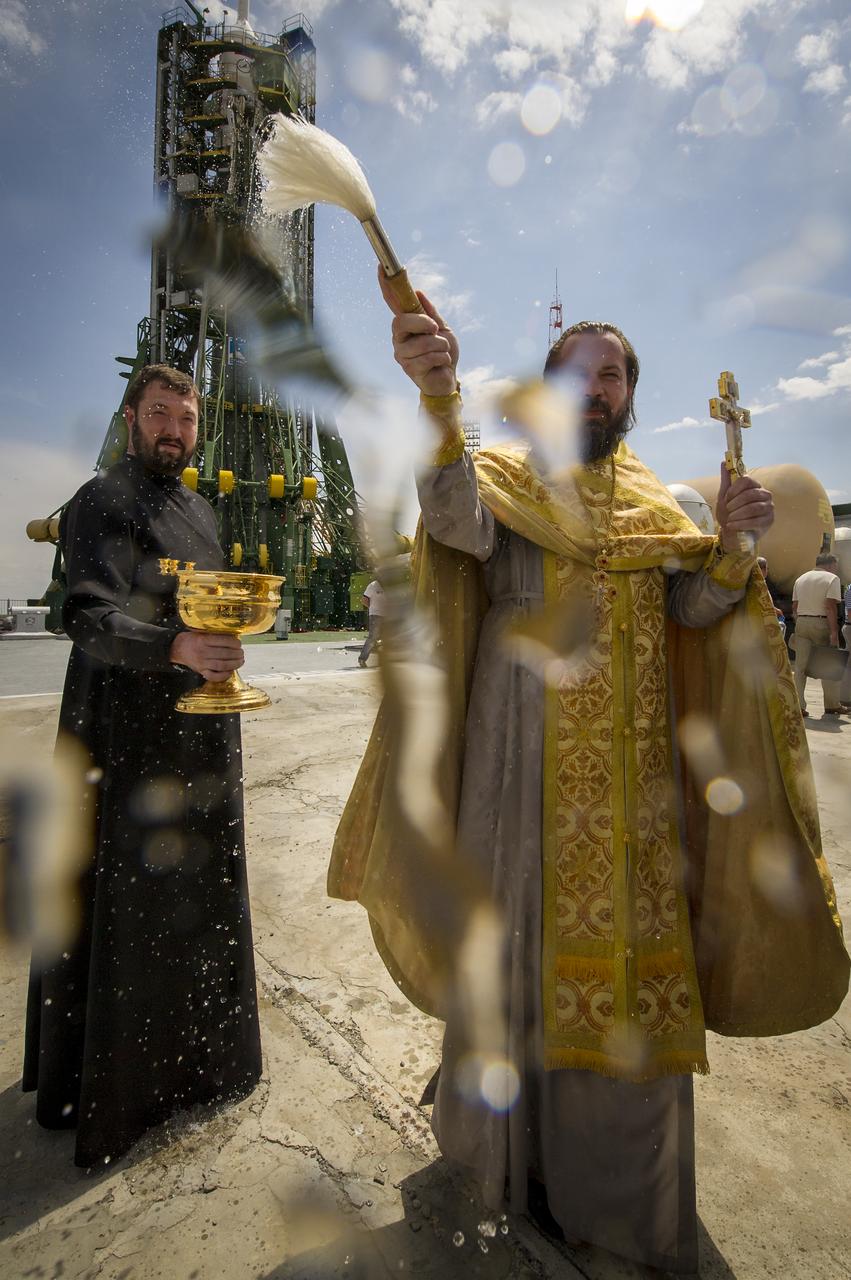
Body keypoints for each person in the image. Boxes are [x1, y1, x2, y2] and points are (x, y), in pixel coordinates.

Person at [329, 276, 850, 1274]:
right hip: (516, 777)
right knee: (516, 959)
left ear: (627, 394)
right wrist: (436, 399)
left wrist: (734, 548)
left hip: (631, 792)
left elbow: (693, 614)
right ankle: (500, 1160)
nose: (592, 387)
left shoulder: (662, 502)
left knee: (617, 986)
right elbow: (449, 519)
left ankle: (607, 1195)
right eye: (575, 371)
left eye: (609, 373)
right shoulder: (509, 476)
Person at [23, 364, 262, 1168]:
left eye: (186, 418)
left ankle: (194, 1070)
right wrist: (172, 646)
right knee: (127, 915)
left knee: (191, 905)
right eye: (159, 413)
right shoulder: (101, 500)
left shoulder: (200, 510)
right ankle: (120, 1089)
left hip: (196, 736)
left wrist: (219, 650)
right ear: (132, 419)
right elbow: (86, 614)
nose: (174, 429)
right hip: (123, 740)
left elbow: (212, 610)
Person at [791, 553, 843, 717]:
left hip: (802, 622)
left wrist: (801, 619)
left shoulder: (801, 579)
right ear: (830, 565)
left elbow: (795, 606)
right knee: (827, 664)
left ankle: (798, 706)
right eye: (835, 565)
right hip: (821, 623)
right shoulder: (832, 578)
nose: (836, 568)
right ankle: (832, 705)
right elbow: (830, 607)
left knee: (800, 668)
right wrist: (834, 632)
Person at [358, 578, 386, 667]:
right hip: (376, 615)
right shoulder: (373, 585)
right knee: (372, 638)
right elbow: (364, 600)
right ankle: (362, 659)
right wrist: (372, 608)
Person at [757, 555, 786, 637]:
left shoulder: (756, 582)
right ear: (762, 569)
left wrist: (775, 609)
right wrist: (774, 610)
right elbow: (762, 602)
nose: (767, 571)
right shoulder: (759, 584)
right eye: (767, 568)